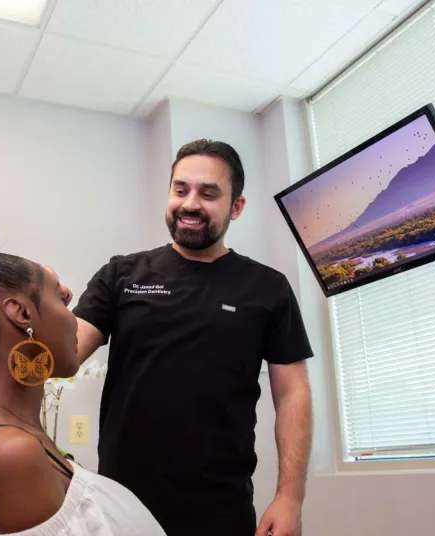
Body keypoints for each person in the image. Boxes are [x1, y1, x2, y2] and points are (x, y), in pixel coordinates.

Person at [71, 139, 315, 536]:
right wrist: (39, 306)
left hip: (220, 511)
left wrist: (290, 499)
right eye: (180, 189)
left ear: (237, 206)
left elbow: (293, 395)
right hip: (121, 508)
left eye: (209, 193)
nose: (189, 204)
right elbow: (65, 355)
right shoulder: (122, 275)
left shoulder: (268, 288)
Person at [0, 214, 166, 536]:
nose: (74, 320)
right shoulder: (8, 455)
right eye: (61, 300)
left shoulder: (12, 438)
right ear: (22, 313)